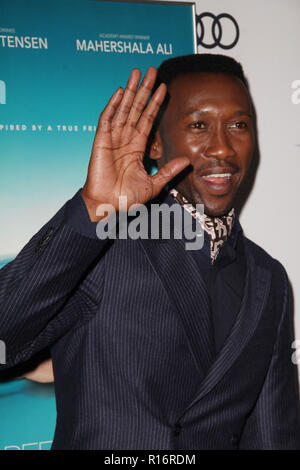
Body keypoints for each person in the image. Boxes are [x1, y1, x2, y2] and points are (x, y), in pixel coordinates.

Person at [0, 54, 300, 450]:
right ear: (155, 143)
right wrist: (93, 208)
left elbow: (272, 435)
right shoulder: (104, 246)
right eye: (198, 125)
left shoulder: (269, 280)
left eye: (238, 125)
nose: (223, 148)